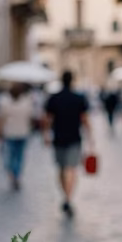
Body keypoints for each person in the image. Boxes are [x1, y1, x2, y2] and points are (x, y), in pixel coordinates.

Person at [43, 70, 92, 216]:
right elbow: (85, 120)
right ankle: (69, 198)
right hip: (74, 138)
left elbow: (48, 119)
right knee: (71, 169)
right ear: (72, 81)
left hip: (58, 138)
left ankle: (65, 196)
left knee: (61, 169)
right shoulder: (79, 98)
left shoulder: (54, 98)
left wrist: (46, 134)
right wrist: (91, 138)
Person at [0, 83, 35, 190]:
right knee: (19, 156)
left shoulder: (4, 102)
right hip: (22, 133)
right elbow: (30, 117)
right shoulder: (26, 102)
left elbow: (1, 118)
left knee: (10, 156)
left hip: (10, 133)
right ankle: (16, 175)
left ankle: (13, 174)